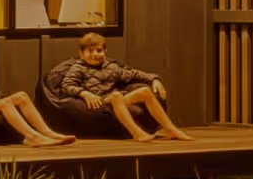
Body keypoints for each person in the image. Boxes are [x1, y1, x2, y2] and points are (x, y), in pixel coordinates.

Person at [40, 31, 190, 141]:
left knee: (144, 91)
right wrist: (84, 94)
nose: (95, 54)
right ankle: (136, 133)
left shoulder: (111, 67)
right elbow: (66, 86)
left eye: (99, 50)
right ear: (81, 53)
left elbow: (134, 74)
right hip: (97, 104)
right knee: (116, 95)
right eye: (90, 51)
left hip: (114, 101)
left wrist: (154, 79)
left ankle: (170, 129)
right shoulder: (78, 68)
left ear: (105, 51)